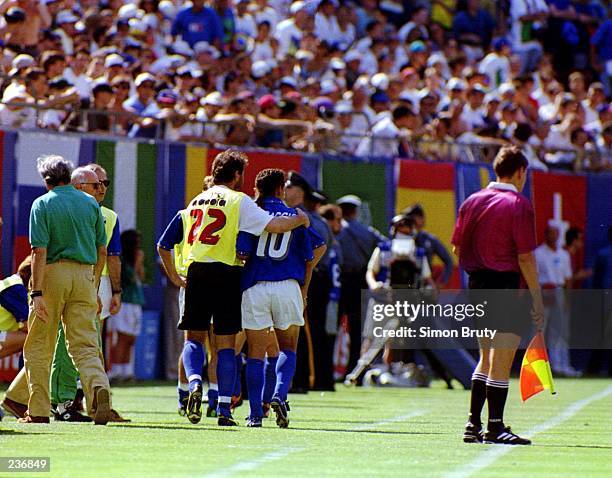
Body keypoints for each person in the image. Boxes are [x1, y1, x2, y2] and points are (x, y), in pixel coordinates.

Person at [157, 150, 310, 426]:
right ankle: (224, 410)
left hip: (196, 272)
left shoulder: (194, 202)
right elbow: (274, 225)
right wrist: (299, 220)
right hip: (228, 274)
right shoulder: (239, 201)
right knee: (225, 347)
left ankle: (193, 383)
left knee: (194, 340)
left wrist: (174, 278)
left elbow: (162, 245)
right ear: (237, 175)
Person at [452, 145, 544, 445]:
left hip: (476, 284)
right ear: (521, 172)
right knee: (502, 362)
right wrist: (536, 296)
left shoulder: (471, 201)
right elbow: (525, 258)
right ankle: (495, 427)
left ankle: (472, 424)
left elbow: (456, 248)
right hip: (505, 285)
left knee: (486, 358)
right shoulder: (519, 203)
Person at [22, 155, 111, 425]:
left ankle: (37, 411)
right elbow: (101, 249)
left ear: (46, 179)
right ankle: (97, 388)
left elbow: (39, 251)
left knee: (39, 344)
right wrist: (93, 284)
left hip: (52, 275)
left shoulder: (42, 204)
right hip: (85, 275)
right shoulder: (90, 203)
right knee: (85, 343)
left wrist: (37, 293)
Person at [237, 168, 326, 427]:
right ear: (280, 189)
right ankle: (279, 394)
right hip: (287, 285)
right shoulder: (296, 216)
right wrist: (303, 279)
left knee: (255, 352)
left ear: (257, 188)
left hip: (255, 286)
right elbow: (317, 249)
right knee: (288, 348)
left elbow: (242, 251)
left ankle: (255, 414)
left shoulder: (252, 212)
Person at [284, 171, 335, 391]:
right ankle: (312, 379)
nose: (284, 190)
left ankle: (307, 379)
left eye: (289, 186)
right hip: (308, 276)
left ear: (299, 192)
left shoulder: (308, 220)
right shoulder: (297, 216)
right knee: (303, 328)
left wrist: (304, 273)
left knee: (306, 330)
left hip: (312, 278)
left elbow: (322, 251)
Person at [336, 194, 385, 375]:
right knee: (357, 327)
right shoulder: (368, 232)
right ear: (356, 211)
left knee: (334, 326)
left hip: (340, 281)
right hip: (361, 281)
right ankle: (354, 369)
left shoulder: (338, 230)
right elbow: (385, 246)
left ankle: (327, 372)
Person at [535, 225, 579, 377]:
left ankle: (562, 365)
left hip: (559, 292)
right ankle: (543, 367)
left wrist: (567, 298)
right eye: (550, 234)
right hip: (543, 293)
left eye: (556, 234)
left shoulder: (563, 254)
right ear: (545, 234)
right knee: (540, 331)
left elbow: (567, 279)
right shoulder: (538, 253)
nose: (553, 237)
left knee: (561, 331)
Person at [111, 230, 145, 382]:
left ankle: (127, 372)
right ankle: (116, 371)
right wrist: (137, 262)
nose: (138, 245)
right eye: (136, 242)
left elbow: (142, 276)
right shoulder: (122, 259)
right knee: (123, 338)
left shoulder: (135, 257)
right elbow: (130, 278)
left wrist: (139, 263)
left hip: (136, 301)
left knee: (131, 339)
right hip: (125, 302)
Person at [403, 203, 454, 287]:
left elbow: (449, 262)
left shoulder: (429, 239)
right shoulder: (403, 238)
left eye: (415, 218)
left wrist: (440, 283)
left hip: (425, 285)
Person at [0, 256, 31, 360]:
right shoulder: (16, 288)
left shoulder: (14, 283)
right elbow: (28, 326)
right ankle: (29, 376)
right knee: (35, 338)